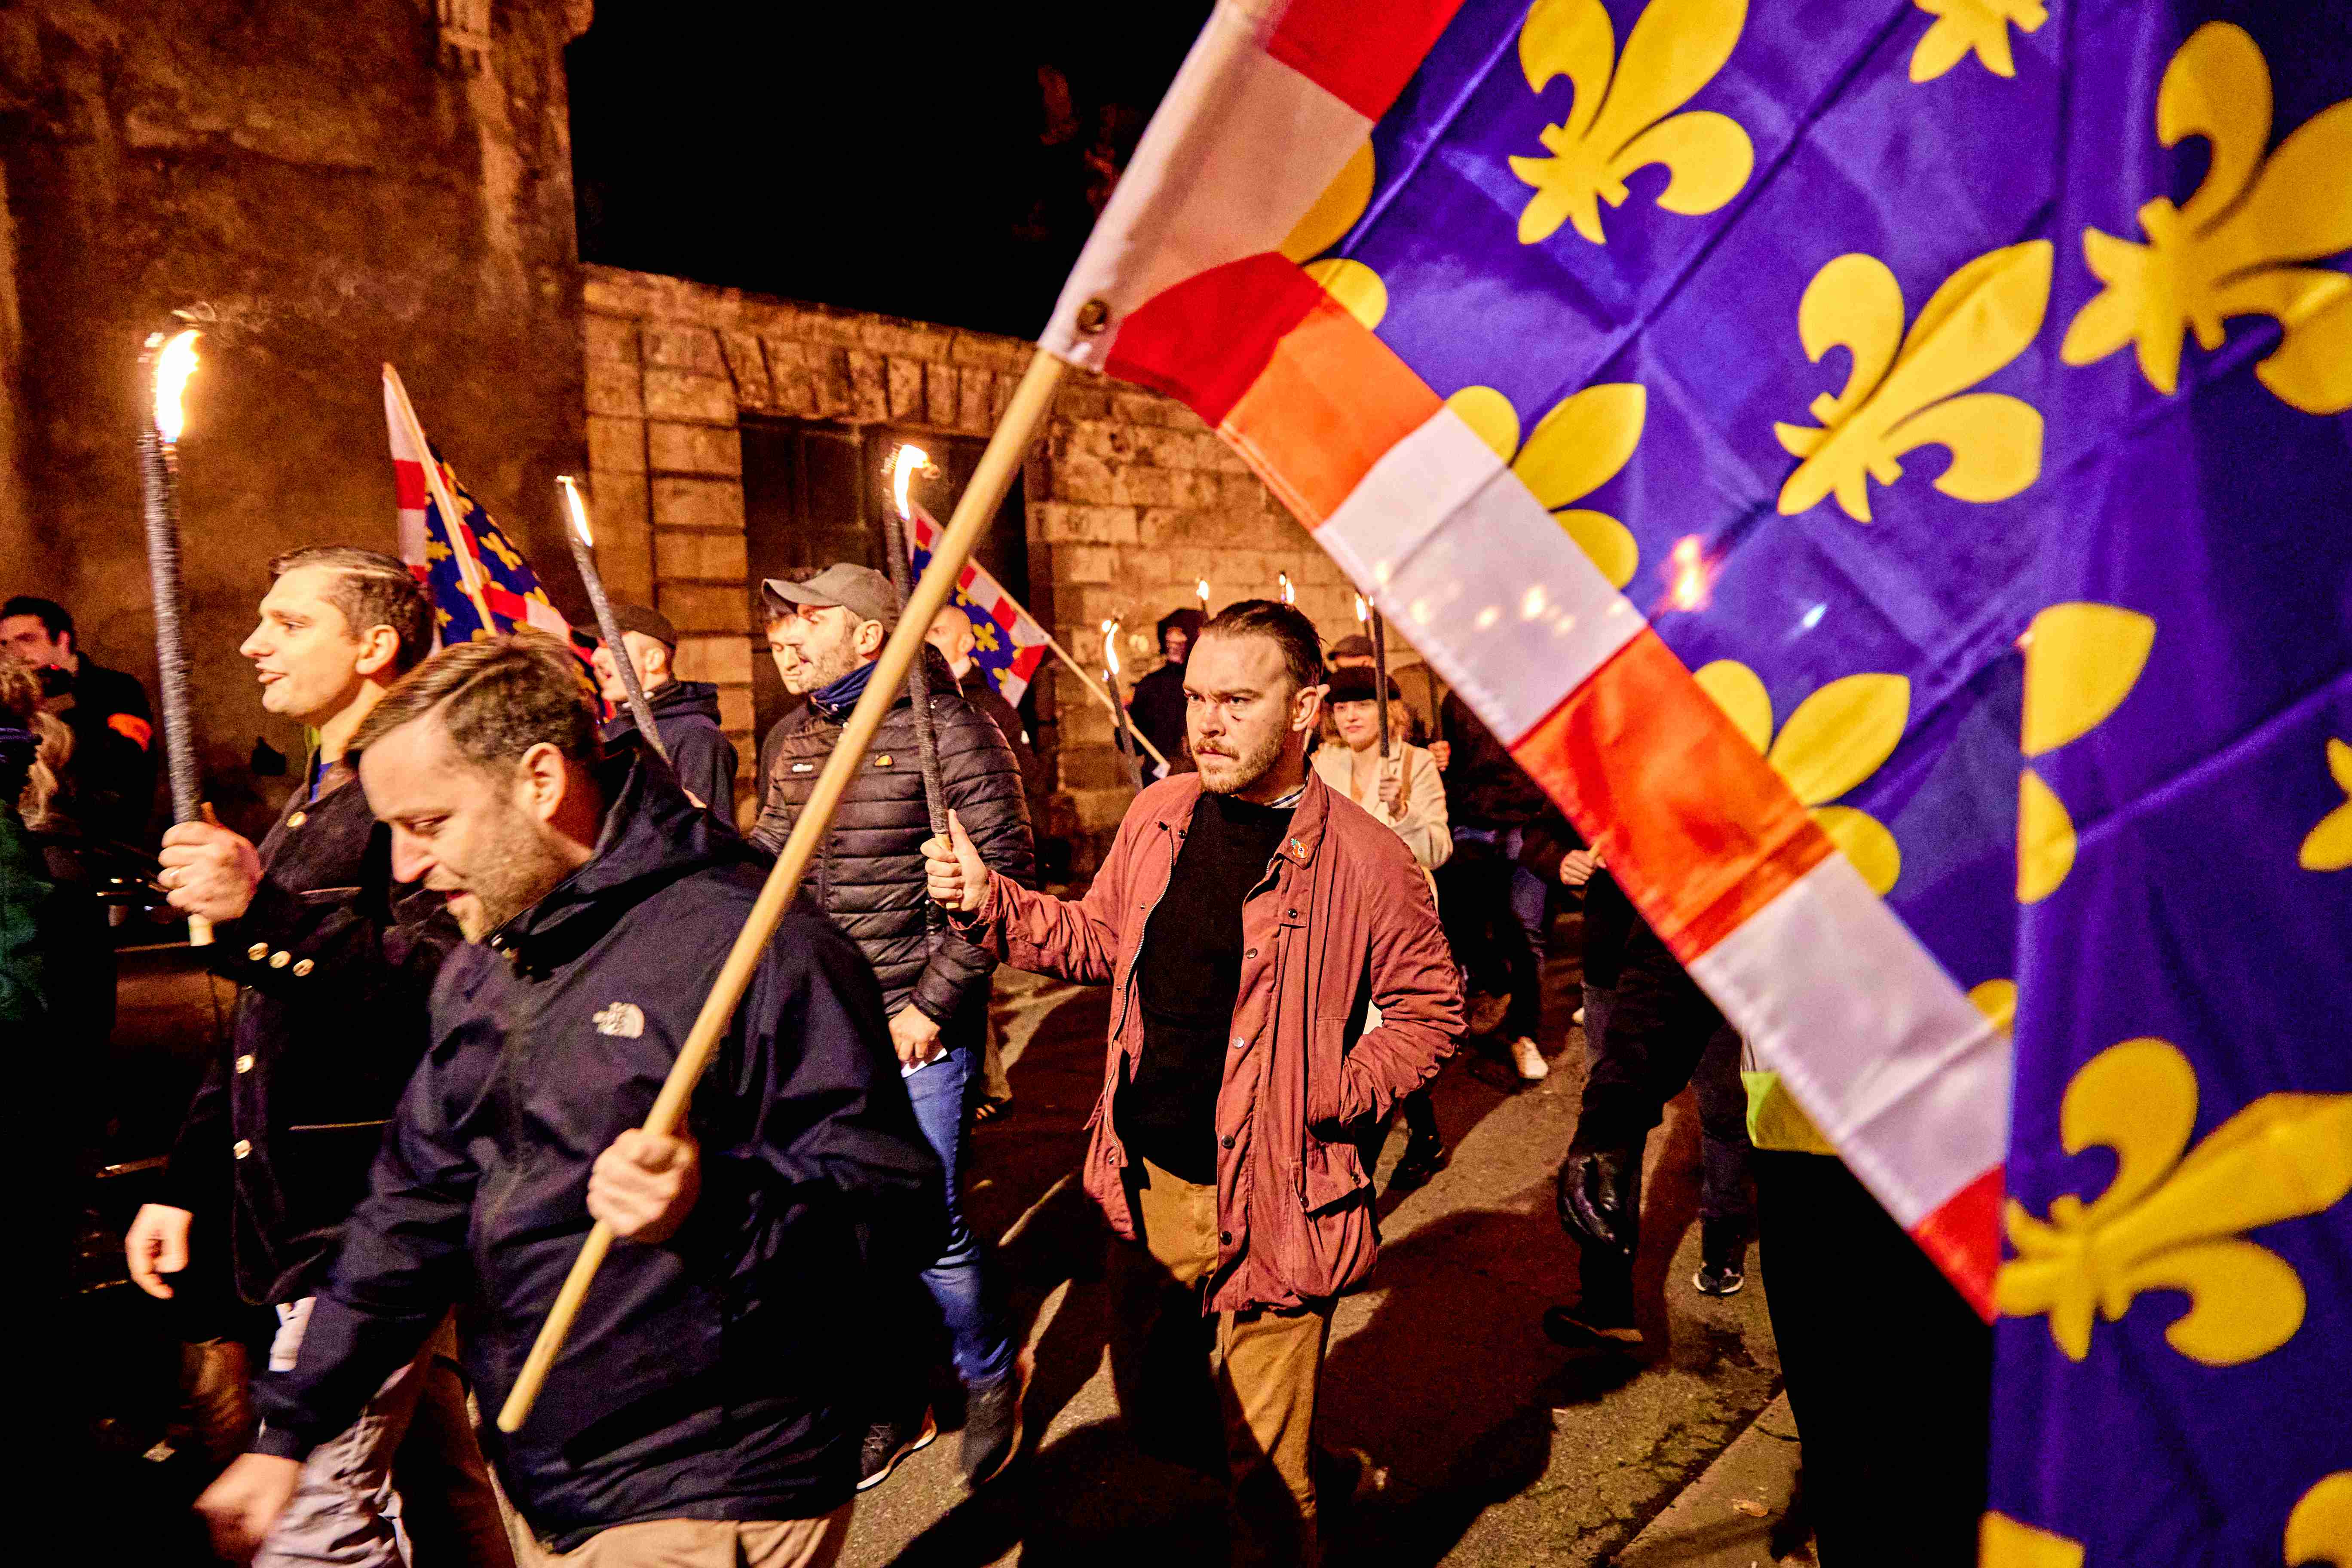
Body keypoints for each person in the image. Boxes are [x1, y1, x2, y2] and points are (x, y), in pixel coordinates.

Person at [192, 631, 943, 1568]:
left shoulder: (751, 945)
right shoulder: (497, 958)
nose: (407, 869)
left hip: (716, 1479)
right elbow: (411, 1212)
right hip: (564, 1477)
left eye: (429, 823)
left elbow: (893, 1207)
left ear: (540, 779)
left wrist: (715, 1202)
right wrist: (288, 1434)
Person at [922, 599, 1461, 1566]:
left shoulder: (1370, 863)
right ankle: (1328, 1470)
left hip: (1285, 1189)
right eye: (1199, 698)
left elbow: (1431, 1015)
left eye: (1237, 701)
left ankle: (1301, 1492)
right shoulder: (1161, 814)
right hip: (1148, 1181)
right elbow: (1099, 939)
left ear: (1304, 709)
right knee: (1161, 1417)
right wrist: (991, 904)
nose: (1205, 722)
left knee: (1266, 1484)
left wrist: (1327, 1094)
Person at [122, 548, 508, 1568]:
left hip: (371, 1211)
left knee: (312, 1514)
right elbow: (262, 1027)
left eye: (289, 623)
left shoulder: (427, 787)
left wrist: (266, 909)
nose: (254, 643)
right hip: (304, 1211)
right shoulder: (317, 792)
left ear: (375, 646)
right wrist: (185, 1182)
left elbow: (444, 990)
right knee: (433, 1469)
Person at [750, 565, 1035, 1491]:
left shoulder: (950, 734)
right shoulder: (790, 740)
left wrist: (931, 1008)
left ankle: (991, 1372)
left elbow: (999, 884)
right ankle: (892, 1396)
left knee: (928, 1223)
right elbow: (769, 862)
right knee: (840, 1223)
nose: (782, 636)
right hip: (819, 1024)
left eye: (805, 619)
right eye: (779, 622)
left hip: (914, 1019)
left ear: (870, 637)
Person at [1535, 825, 1755, 1345]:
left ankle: (1723, 1238)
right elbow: (1542, 821)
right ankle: (1607, 1299)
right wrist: (1557, 856)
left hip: (1711, 955)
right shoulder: (1609, 757)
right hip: (1615, 959)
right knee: (1612, 1130)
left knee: (1723, 1110)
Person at [1310, 667, 1452, 1188]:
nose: (1349, 715)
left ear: (1389, 711)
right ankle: (1426, 1135)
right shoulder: (1324, 762)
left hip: (1398, 926)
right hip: (1340, 921)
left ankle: (1354, 1182)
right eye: (1342, 707)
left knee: (1386, 1033)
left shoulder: (1414, 764)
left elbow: (1439, 849)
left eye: (1363, 705)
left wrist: (1405, 811)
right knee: (1368, 1037)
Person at [925, 605, 1050, 1123]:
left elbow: (1014, 788)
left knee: (967, 979)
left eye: (937, 632)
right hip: (936, 869)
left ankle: (982, 1084)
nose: (925, 639)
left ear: (964, 644)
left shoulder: (984, 707)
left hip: (976, 867)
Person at [1436, 690, 1553, 1081]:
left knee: (1524, 929)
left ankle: (1524, 1034)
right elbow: (1448, 755)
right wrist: (1439, 756)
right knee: (1459, 921)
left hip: (1528, 823)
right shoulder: (1456, 697)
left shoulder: (1530, 685)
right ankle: (1496, 988)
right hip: (1473, 822)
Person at [0, 594, 156, 845]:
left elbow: (125, 756)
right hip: (36, 831)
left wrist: (58, 714)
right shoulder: (17, 696)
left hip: (103, 836)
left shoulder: (115, 688)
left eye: (27, 640)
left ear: (62, 641)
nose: (14, 653)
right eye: (5, 644)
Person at [588, 602, 739, 830]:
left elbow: (710, 842)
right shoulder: (613, 731)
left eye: (610, 644)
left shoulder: (696, 738)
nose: (596, 657)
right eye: (598, 645)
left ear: (653, 660)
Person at [1125, 607, 1200, 774]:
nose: (1173, 640)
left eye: (1181, 633)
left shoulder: (1208, 681)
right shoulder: (1151, 685)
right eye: (1170, 633)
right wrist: (1124, 724)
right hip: (1160, 776)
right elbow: (1135, 746)